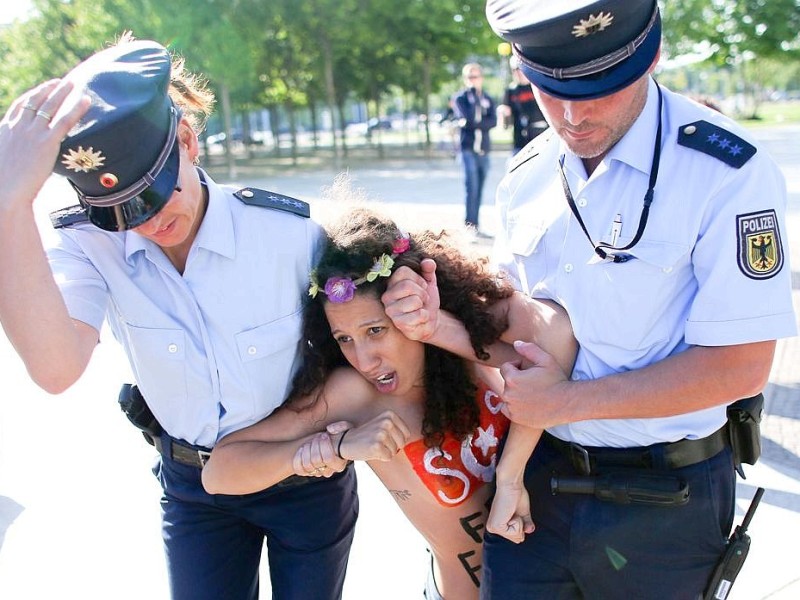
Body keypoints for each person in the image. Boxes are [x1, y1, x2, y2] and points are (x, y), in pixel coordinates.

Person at [384, 1, 798, 598]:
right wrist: (438, 321)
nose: (574, 115)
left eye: (601, 87)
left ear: (652, 54)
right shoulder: (526, 174)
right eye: (552, 89)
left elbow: (739, 366)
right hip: (539, 480)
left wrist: (566, 402)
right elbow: (523, 337)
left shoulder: (726, 170)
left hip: (667, 498)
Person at [0, 37, 357, 600]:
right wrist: (8, 205)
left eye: (157, 196)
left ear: (188, 142)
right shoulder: (89, 245)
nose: (147, 223)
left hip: (302, 474)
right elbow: (54, 367)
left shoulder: (292, 235)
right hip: (193, 487)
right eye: (121, 214)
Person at [201, 202, 577, 599]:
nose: (363, 359)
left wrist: (436, 329)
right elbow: (219, 472)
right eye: (344, 339)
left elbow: (557, 342)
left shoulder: (464, 335)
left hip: (553, 576)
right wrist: (334, 448)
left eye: (376, 330)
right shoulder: (354, 393)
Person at [452, 63, 497, 236]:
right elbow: (468, 118)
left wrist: (476, 124)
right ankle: (469, 225)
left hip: (483, 149)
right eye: (470, 77)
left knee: (480, 187)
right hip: (468, 148)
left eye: (476, 76)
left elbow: (492, 121)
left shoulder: (488, 98)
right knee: (471, 187)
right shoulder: (462, 98)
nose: (473, 80)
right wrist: (478, 122)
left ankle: (476, 224)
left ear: (481, 78)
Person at [497, 56, 547, 155]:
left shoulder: (538, 87)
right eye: (515, 70)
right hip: (520, 139)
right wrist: (503, 114)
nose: (518, 73)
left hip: (540, 136)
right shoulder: (510, 91)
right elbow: (504, 118)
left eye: (520, 69)